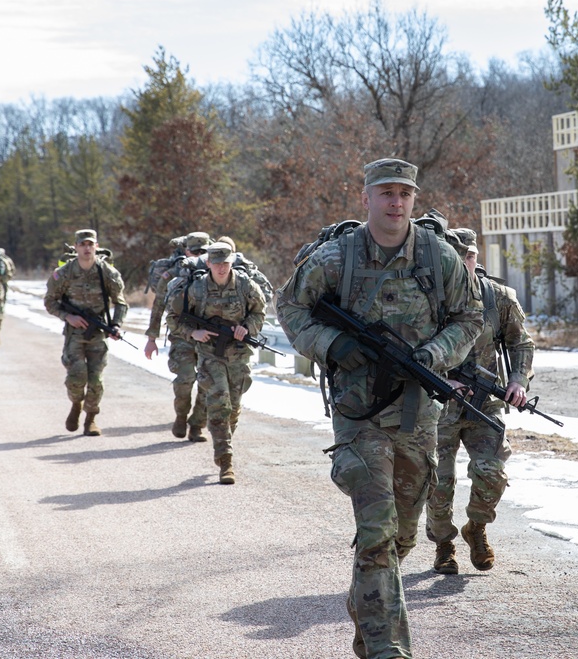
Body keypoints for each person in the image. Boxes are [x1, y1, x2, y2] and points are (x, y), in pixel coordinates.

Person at [276, 158, 483, 659]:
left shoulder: (438, 256)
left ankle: (366, 605)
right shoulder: (336, 257)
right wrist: (329, 343)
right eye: (386, 193)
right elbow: (290, 307)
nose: (395, 202)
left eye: (404, 194)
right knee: (377, 532)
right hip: (359, 413)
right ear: (366, 197)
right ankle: (390, 647)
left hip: (416, 415)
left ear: (413, 199)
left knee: (403, 536)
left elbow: (470, 316)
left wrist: (433, 355)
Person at [425, 227, 534, 575]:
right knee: (438, 482)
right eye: (458, 258)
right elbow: (411, 353)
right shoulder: (427, 298)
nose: (465, 263)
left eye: (470, 256)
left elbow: (521, 343)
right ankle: (443, 544)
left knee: (492, 473)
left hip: (485, 404)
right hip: (439, 404)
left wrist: (517, 381)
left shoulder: (497, 297)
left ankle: (477, 528)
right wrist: (444, 381)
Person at [166, 241, 266, 484]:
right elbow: (173, 317)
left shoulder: (245, 285)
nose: (222, 268)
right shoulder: (196, 289)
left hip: (239, 354)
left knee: (233, 408)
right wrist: (193, 333)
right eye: (217, 263)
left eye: (226, 262)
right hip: (210, 354)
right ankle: (226, 461)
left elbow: (259, 312)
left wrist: (247, 328)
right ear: (209, 263)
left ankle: (224, 442)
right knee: (219, 402)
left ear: (232, 262)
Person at [44, 229, 128, 436]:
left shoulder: (107, 272)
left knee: (96, 380)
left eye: (90, 244)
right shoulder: (63, 274)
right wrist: (68, 317)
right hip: (74, 333)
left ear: (96, 246)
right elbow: (50, 302)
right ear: (76, 247)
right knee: (76, 377)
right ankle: (75, 405)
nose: (87, 248)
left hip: (98, 332)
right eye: (82, 244)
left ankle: (90, 419)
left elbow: (120, 303)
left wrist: (115, 325)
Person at [145, 232, 212, 441]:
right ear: (186, 251)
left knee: (208, 381)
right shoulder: (174, 274)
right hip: (181, 334)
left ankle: (197, 424)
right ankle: (181, 416)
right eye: (195, 251)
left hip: (209, 338)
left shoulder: (217, 273)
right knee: (185, 379)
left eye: (204, 251)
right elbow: (158, 306)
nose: (199, 255)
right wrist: (151, 339)